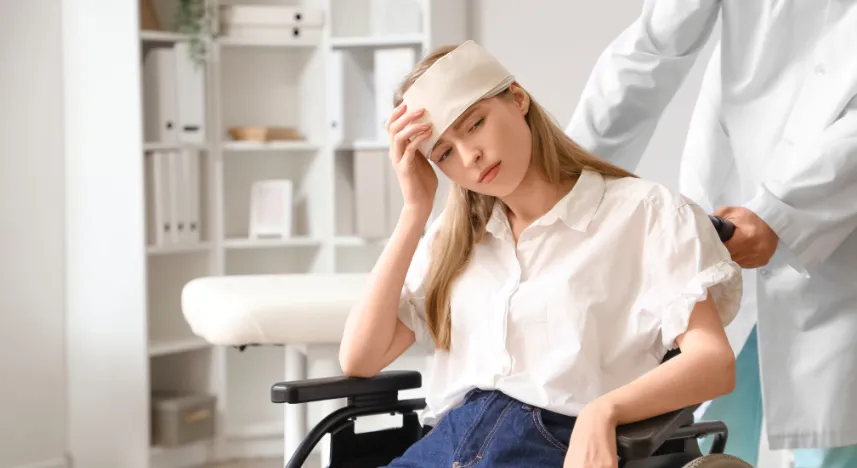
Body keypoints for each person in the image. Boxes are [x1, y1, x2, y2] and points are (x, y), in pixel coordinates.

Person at [338, 40, 743, 468]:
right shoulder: (454, 239)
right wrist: (414, 211)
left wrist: (604, 412)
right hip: (442, 446)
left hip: (556, 444)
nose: (470, 156)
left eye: (475, 123)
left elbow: (713, 363)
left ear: (517, 98)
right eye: (445, 153)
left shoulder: (645, 213)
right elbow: (360, 358)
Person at [565, 1, 857, 467]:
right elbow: (651, 48)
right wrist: (564, 181)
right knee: (712, 426)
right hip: (734, 174)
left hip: (838, 220)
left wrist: (784, 213)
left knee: (830, 436)